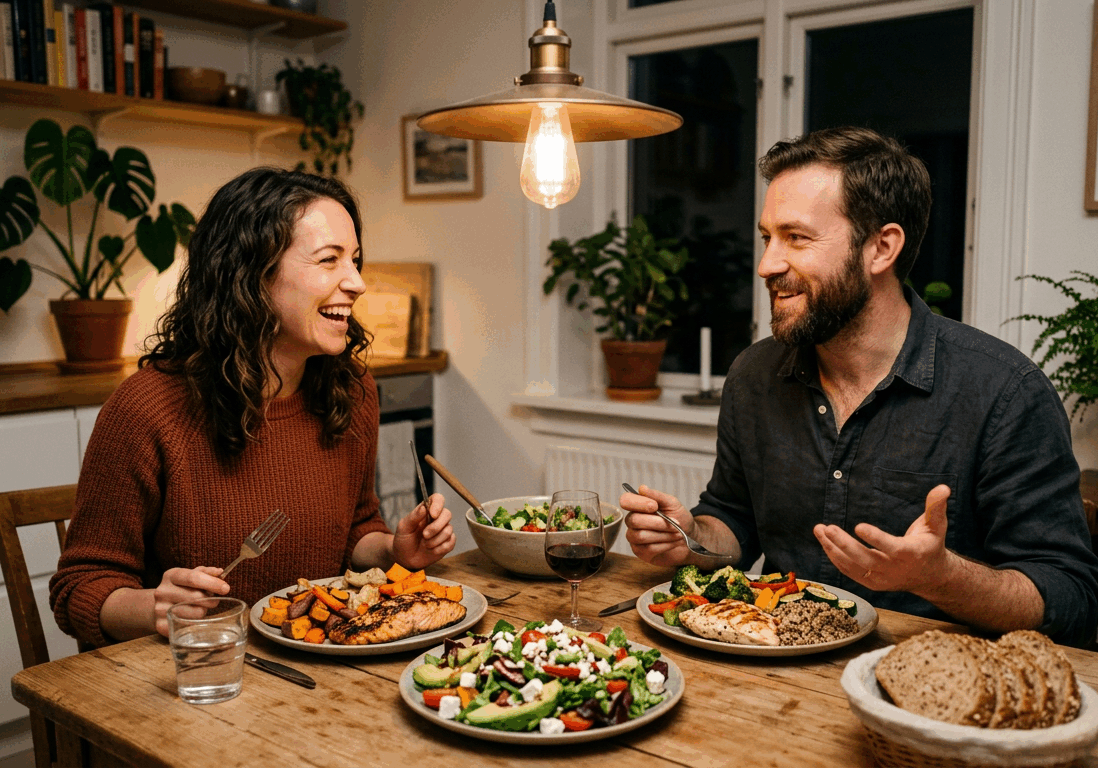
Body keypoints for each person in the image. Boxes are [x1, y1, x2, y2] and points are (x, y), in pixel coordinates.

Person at [621, 126, 1098, 647]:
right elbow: (733, 523)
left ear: (881, 248)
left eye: (796, 238)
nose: (767, 265)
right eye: (767, 237)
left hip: (924, 690)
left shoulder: (1005, 392)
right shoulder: (754, 376)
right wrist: (690, 539)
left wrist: (940, 577)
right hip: (771, 675)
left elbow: (1071, 597)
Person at [50, 168, 456, 648]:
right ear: (250, 273)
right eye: (329, 260)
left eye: (355, 260)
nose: (357, 282)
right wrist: (153, 607)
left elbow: (352, 531)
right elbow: (78, 586)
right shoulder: (147, 409)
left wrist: (394, 548)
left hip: (312, 676)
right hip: (197, 678)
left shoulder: (353, 390)